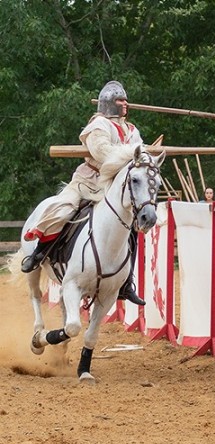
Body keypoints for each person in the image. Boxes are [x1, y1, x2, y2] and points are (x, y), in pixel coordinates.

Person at [21, 80, 151, 305]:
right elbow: (103, 153)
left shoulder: (132, 130)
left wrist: (143, 155)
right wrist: (132, 153)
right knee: (63, 210)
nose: (125, 104)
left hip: (114, 186)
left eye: (126, 100)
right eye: (121, 100)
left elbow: (139, 155)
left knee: (128, 228)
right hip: (88, 181)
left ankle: (126, 282)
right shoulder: (98, 125)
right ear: (110, 104)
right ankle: (39, 253)